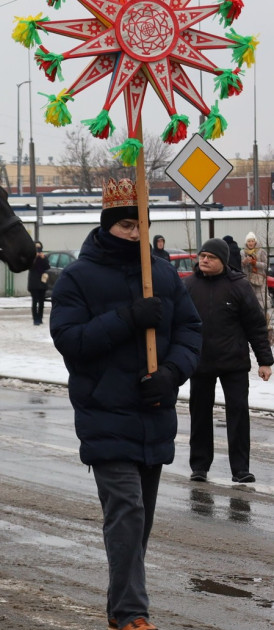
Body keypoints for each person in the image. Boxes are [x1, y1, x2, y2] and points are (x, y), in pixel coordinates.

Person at [49, 178, 201, 630]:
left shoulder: (164, 274)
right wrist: (128, 318)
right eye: (127, 226)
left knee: (138, 523)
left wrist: (172, 373)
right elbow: (71, 341)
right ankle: (133, 612)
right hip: (104, 413)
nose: (136, 234)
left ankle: (120, 607)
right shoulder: (77, 277)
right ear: (109, 226)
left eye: (141, 226)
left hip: (153, 413)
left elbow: (191, 331)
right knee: (128, 511)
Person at [184, 238, 271, 484]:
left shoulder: (238, 286)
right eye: (202, 256)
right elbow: (177, 323)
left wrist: (265, 361)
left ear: (222, 261)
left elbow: (255, 325)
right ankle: (199, 465)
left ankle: (241, 468)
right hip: (200, 362)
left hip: (233, 363)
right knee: (200, 414)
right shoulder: (189, 286)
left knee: (239, 415)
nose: (204, 260)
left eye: (210, 257)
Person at [241, 231, 268, 313]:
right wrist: (244, 262)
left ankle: (263, 320)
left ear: (255, 241)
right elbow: (241, 266)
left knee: (261, 302)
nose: (251, 243)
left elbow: (265, 265)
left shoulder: (261, 251)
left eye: (252, 241)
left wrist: (255, 263)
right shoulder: (242, 252)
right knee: (249, 301)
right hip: (247, 280)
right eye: (249, 241)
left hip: (259, 281)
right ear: (246, 242)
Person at [29, 241, 50, 325]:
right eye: (36, 248)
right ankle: (35, 319)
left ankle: (40, 318)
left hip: (42, 282)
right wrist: (34, 258)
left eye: (39, 248)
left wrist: (43, 258)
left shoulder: (43, 257)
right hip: (33, 283)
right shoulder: (31, 257)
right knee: (35, 301)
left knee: (41, 302)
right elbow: (30, 267)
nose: (38, 250)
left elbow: (47, 267)